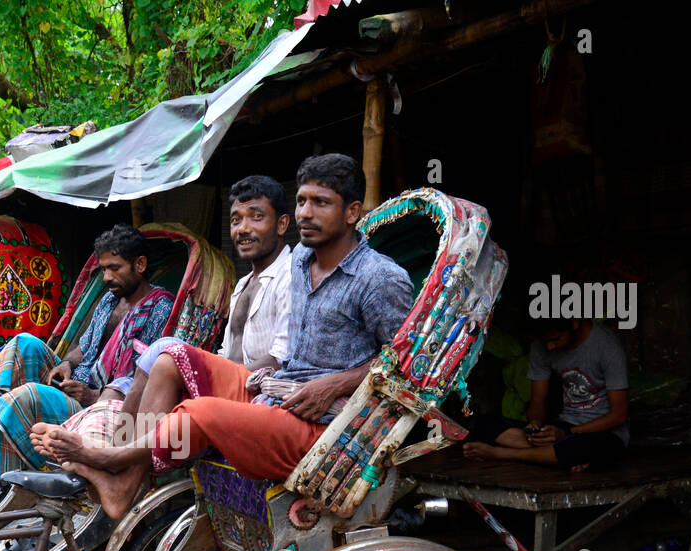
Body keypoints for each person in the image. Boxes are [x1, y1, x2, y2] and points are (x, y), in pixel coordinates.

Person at [33, 153, 416, 518]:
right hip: (277, 391)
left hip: (324, 424)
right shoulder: (301, 259)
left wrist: (332, 385)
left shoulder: (379, 278)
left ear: (352, 213)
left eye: (321, 202)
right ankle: (128, 482)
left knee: (198, 414)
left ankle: (112, 458)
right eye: (302, 201)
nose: (306, 213)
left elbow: (407, 362)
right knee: (168, 357)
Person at [0, 224, 174, 474]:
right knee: (24, 343)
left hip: (105, 407)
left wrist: (92, 395)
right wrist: (67, 364)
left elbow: (143, 380)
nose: (106, 277)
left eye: (115, 268)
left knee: (31, 393)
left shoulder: (161, 309)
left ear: (139, 265)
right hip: (79, 384)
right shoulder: (109, 301)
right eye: (103, 269)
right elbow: (86, 346)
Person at [119, 175, 293, 417]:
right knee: (137, 372)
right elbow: (226, 351)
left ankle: (129, 450)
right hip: (229, 381)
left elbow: (280, 359)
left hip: (257, 386)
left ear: (282, 224)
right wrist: (212, 372)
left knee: (168, 349)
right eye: (235, 220)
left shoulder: (292, 275)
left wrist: (210, 374)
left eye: (256, 217)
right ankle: (123, 445)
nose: (243, 229)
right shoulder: (243, 284)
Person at [462, 316, 629, 471]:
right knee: (485, 424)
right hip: (564, 427)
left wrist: (568, 434)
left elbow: (618, 416)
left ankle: (502, 453)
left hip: (602, 433)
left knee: (586, 447)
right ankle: (553, 455)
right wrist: (535, 425)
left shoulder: (607, 346)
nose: (549, 346)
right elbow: (537, 401)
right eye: (546, 341)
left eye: (555, 339)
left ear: (574, 322)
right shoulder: (542, 344)